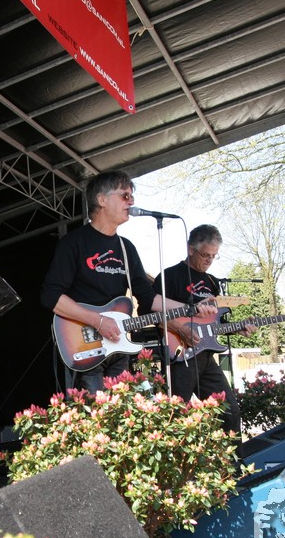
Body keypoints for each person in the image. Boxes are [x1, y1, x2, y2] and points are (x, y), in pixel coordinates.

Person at [40, 170, 215, 393]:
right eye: (125, 195)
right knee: (93, 412)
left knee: (121, 410)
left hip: (118, 346)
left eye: (132, 196)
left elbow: (148, 298)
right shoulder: (73, 242)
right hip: (84, 344)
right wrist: (98, 321)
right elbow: (51, 296)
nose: (131, 202)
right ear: (102, 200)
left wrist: (192, 308)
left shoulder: (126, 248)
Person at [154, 224, 253, 434]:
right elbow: (154, 315)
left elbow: (214, 325)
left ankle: (232, 457)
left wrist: (237, 329)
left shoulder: (212, 282)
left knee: (230, 412)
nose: (209, 260)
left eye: (214, 256)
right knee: (175, 417)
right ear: (190, 249)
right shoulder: (169, 276)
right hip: (180, 356)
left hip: (206, 357)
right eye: (205, 255)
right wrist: (181, 329)